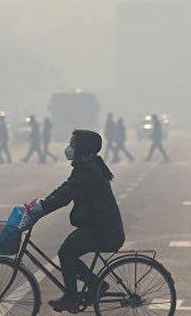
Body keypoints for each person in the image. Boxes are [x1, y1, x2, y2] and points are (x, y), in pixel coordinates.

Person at [19, 130, 124, 313]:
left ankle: (72, 298)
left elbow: (65, 197)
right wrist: (42, 203)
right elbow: (64, 189)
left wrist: (41, 210)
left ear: (82, 148)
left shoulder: (88, 172)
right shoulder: (86, 168)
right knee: (68, 251)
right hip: (99, 227)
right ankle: (95, 285)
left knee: (66, 252)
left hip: (105, 231)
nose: (69, 148)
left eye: (73, 144)